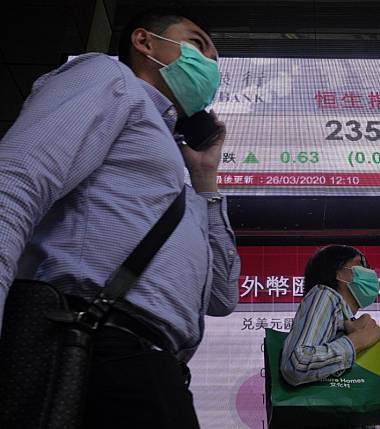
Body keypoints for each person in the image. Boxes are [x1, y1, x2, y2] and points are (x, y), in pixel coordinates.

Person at [0, 8, 240, 429]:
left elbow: (221, 295)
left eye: (215, 59)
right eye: (198, 44)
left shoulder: (174, 173)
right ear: (145, 43)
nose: (210, 65)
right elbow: (17, 184)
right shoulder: (109, 79)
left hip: (152, 368)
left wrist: (204, 176)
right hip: (87, 346)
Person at [280, 245, 380, 429]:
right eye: (360, 265)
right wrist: (356, 342)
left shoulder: (345, 320)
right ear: (338, 274)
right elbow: (298, 362)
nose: (371, 273)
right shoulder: (325, 295)